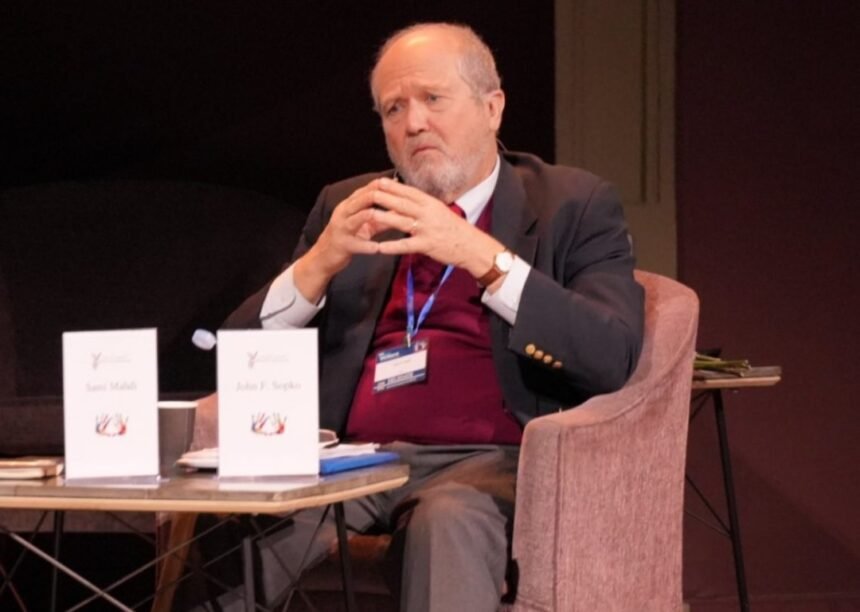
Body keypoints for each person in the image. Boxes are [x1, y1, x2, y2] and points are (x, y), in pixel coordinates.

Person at [221, 21, 644, 612]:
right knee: (230, 535)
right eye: (394, 108)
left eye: (433, 99)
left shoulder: (572, 204)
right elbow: (237, 362)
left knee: (448, 520)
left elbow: (611, 354)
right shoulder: (350, 206)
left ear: (492, 108)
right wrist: (316, 266)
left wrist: (483, 258)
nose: (414, 122)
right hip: (354, 461)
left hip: (489, 462)